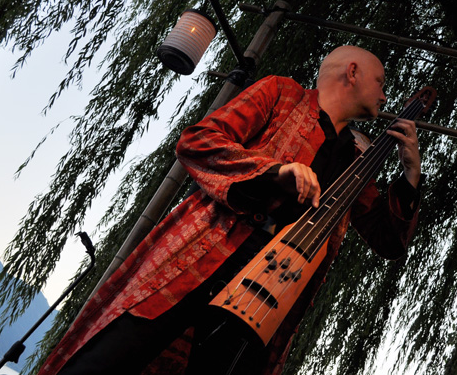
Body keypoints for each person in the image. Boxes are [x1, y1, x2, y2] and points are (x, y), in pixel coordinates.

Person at [39, 45, 422, 375]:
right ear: (352, 72)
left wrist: (410, 175)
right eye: (381, 83)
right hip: (203, 253)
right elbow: (198, 141)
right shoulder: (281, 93)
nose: (386, 96)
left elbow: (389, 241)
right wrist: (274, 171)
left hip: (268, 293)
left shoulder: (357, 160)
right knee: (110, 358)